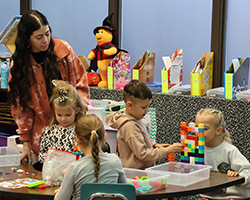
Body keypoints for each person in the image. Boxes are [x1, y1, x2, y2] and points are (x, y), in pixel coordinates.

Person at [8, 10, 89, 163]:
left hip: (73, 126)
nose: (45, 40)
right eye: (39, 37)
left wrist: (77, 113)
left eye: (47, 33)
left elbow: (81, 84)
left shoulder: (64, 51)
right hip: (42, 131)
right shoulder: (19, 64)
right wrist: (25, 142)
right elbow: (20, 107)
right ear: (27, 39)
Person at [109, 79, 183, 169]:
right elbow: (142, 154)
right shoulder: (129, 126)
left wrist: (155, 145)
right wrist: (166, 151)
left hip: (141, 172)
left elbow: (141, 139)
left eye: (148, 106)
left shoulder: (136, 118)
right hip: (135, 174)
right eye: (143, 107)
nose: (147, 110)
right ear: (129, 105)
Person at [54, 114, 126, 200]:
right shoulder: (115, 161)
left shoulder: (74, 169)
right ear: (104, 136)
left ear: (77, 139)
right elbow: (126, 192)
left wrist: (68, 179)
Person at [195, 108, 250, 200]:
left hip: (232, 197)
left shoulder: (229, 150)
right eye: (197, 128)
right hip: (208, 196)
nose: (198, 132)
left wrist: (237, 177)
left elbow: (248, 172)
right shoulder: (196, 151)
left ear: (218, 131)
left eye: (204, 129)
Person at [35, 80, 85, 171]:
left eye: (68, 115)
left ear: (76, 111)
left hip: (73, 172)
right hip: (52, 173)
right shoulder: (49, 131)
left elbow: (85, 155)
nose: (63, 119)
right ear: (54, 112)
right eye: (59, 115)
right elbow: (42, 154)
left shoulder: (80, 131)